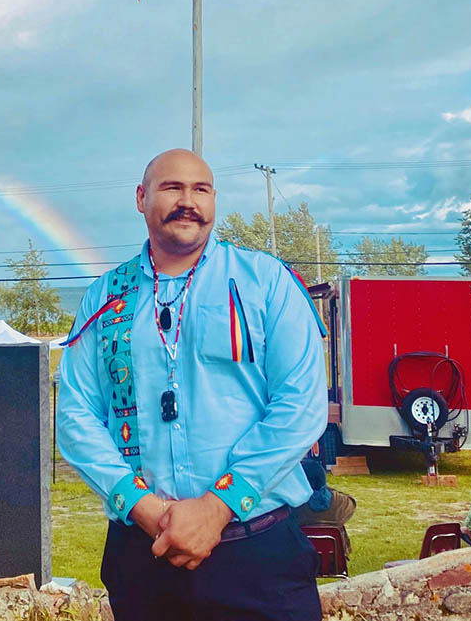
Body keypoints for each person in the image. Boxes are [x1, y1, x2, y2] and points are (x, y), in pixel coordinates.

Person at [56, 149, 330, 621]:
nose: (189, 201)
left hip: (259, 557)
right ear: (141, 199)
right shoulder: (106, 297)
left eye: (200, 189)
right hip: (144, 558)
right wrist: (138, 504)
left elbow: (300, 407)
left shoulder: (267, 283)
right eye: (172, 188)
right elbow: (76, 415)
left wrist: (219, 506)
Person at [293, 457, 356, 558]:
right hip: (334, 561)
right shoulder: (340, 502)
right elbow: (352, 502)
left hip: (299, 561)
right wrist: (325, 489)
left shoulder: (291, 505)